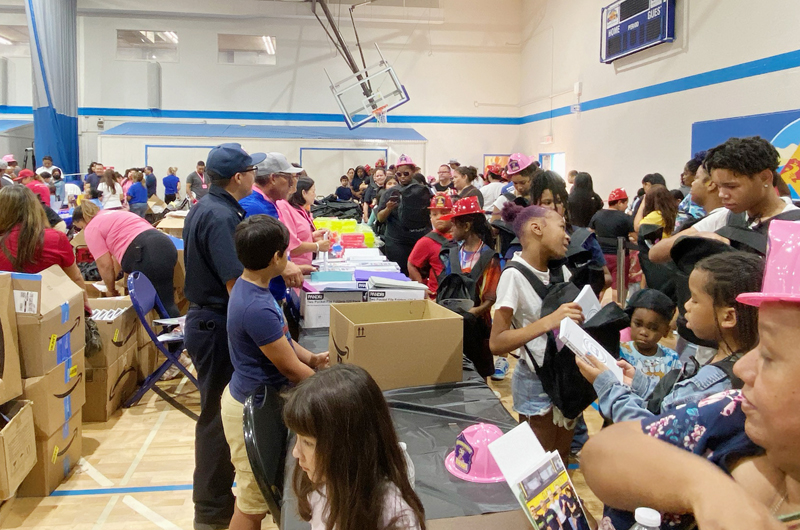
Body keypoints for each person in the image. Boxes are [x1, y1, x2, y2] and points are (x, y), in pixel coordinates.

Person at [580, 224, 798, 530]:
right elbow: (603, 453)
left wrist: (610, 386)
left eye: (769, 355)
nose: (741, 368)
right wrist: (705, 488)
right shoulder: (730, 412)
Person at [221, 215, 328, 530]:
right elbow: (289, 369)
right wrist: (332, 388)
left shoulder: (254, 287)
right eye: (287, 252)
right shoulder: (255, 306)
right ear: (275, 258)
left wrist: (314, 359)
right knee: (252, 504)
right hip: (249, 407)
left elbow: (283, 341)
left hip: (259, 397)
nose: (290, 257)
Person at [182, 143, 269, 529]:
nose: (256, 177)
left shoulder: (212, 206)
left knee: (216, 417)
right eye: (253, 171)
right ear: (238, 177)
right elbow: (237, 285)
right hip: (215, 324)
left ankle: (215, 501)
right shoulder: (219, 216)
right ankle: (213, 509)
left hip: (209, 321)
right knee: (218, 420)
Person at [577, 251, 763, 426]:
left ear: (728, 317)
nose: (686, 305)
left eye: (695, 300)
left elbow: (651, 428)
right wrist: (638, 383)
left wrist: (608, 386)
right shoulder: (736, 364)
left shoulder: (714, 382)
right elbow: (675, 399)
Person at [490, 203, 584, 462]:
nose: (568, 236)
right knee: (539, 462)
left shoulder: (560, 270)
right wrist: (549, 321)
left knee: (562, 454)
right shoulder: (514, 275)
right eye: (562, 227)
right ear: (537, 228)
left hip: (566, 376)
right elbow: (497, 342)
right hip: (535, 380)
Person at [283, 364, 425, 530]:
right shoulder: (321, 484)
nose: (296, 452)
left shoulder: (394, 518)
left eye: (308, 443)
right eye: (297, 438)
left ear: (347, 449)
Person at [649, 137, 799, 264]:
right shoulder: (726, 217)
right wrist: (697, 237)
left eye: (731, 186)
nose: (722, 194)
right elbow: (655, 254)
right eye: (719, 186)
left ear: (765, 177)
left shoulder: (794, 224)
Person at [72, 201, 179, 315]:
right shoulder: (113, 214)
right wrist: (114, 281)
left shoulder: (91, 227)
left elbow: (105, 265)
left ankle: (175, 331)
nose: (83, 231)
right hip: (164, 244)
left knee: (163, 306)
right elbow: (116, 258)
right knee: (166, 300)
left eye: (81, 227)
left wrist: (110, 290)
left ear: (84, 219)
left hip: (145, 253)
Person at [437, 196, 501, 379]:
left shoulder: (489, 257)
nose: (451, 229)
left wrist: (473, 313)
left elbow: (490, 297)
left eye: (454, 224)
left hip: (477, 327)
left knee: (479, 375)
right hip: (451, 322)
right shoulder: (451, 253)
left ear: (466, 226)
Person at [0, 186, 89, 306]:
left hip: (6, 312)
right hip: (51, 309)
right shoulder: (56, 238)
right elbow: (75, 277)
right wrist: (85, 306)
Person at [375, 155, 432, 275]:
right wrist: (388, 209)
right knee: (398, 274)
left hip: (420, 240)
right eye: (399, 174)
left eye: (406, 173)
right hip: (397, 241)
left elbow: (432, 213)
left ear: (413, 171)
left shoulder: (424, 191)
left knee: (421, 274)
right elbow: (379, 218)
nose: (402, 177)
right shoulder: (390, 192)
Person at [617, 289, 680, 378]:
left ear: (665, 331)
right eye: (638, 324)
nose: (643, 332)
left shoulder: (671, 358)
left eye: (653, 328)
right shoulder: (619, 351)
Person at [276, 176, 330, 268]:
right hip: (295, 266)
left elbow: (298, 235)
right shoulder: (284, 207)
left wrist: (312, 236)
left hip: (304, 265)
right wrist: (317, 246)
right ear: (304, 193)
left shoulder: (301, 210)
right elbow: (291, 245)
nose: (315, 195)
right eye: (313, 191)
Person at [588, 188, 635, 293]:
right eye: (625, 203)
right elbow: (635, 236)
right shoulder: (625, 217)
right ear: (619, 202)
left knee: (600, 286)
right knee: (618, 289)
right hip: (620, 256)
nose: (627, 206)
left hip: (600, 256)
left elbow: (590, 233)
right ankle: (617, 308)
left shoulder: (598, 215)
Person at [407, 194, 453, 297]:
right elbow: (411, 264)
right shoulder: (427, 241)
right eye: (434, 214)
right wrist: (421, 288)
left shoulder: (462, 237)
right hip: (436, 296)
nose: (439, 218)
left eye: (444, 213)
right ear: (430, 217)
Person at [491, 153, 537, 221]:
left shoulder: (540, 199)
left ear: (533, 177)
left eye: (523, 182)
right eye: (515, 183)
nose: (519, 187)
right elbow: (493, 228)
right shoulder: (503, 200)